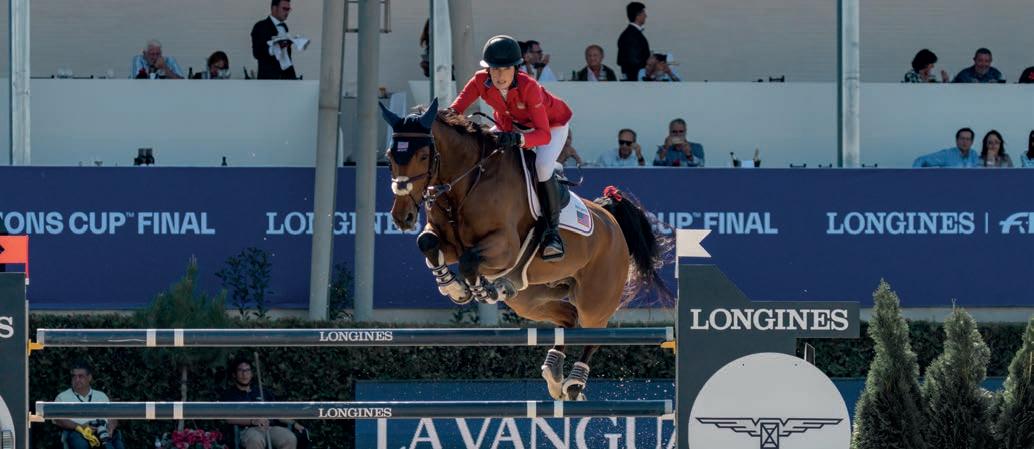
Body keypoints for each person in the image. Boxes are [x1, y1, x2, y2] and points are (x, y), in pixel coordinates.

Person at [450, 35, 573, 261]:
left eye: (505, 69)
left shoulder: (530, 87)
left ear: (516, 68)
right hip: (510, 125)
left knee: (542, 167)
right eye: (494, 69)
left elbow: (543, 134)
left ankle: (552, 233)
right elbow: (454, 111)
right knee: (484, 152)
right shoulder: (479, 80)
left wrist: (518, 140)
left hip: (551, 127)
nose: (499, 75)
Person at [221, 357, 305, 449]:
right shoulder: (230, 394)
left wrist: (294, 423)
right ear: (234, 374)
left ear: (251, 374)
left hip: (270, 428)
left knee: (289, 438)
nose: (244, 374)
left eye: (247, 370)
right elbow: (228, 418)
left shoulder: (262, 391)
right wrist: (253, 421)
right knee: (255, 440)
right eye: (241, 371)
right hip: (247, 430)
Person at [52, 361, 126, 449]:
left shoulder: (101, 396)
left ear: (89, 377)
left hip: (102, 431)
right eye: (74, 376)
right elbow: (58, 419)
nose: (77, 380)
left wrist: (111, 427)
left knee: (115, 440)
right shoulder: (62, 397)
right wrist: (80, 427)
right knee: (79, 442)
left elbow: (112, 416)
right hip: (78, 433)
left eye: (80, 376)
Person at [251, 0, 298, 80]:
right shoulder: (260, 26)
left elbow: (286, 54)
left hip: (288, 76)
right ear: (274, 8)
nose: (287, 12)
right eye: (284, 9)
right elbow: (257, 53)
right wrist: (276, 47)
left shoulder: (284, 27)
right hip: (269, 78)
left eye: (288, 9)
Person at [912, 128, 981, 167]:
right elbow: (920, 160)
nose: (965, 142)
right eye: (962, 138)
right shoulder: (946, 154)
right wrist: (916, 177)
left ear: (972, 142)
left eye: (968, 139)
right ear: (956, 140)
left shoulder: (974, 155)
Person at [617, 2, 649, 82]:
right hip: (634, 80)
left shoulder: (631, 33)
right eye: (643, 13)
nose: (646, 16)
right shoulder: (631, 35)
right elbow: (633, 61)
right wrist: (650, 64)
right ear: (638, 15)